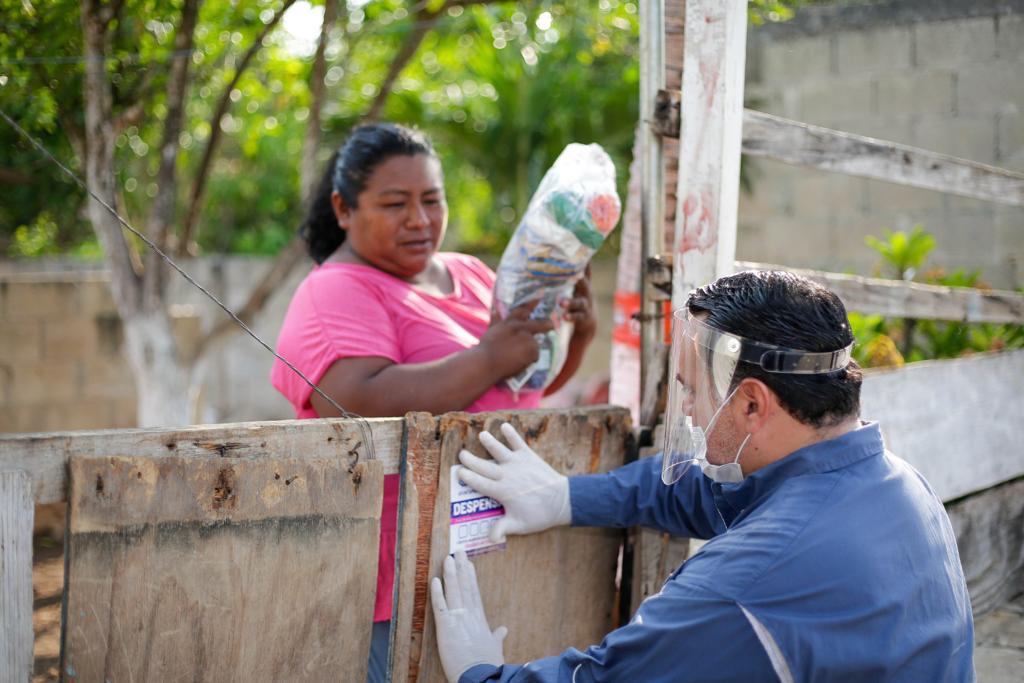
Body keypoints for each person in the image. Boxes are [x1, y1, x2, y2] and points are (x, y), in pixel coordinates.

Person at [433, 270, 975, 682]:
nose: (687, 410)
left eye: (691, 390)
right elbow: (712, 494)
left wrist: (481, 672)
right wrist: (567, 497)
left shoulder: (740, 587)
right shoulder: (896, 483)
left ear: (752, 405)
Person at [270, 123, 597, 682]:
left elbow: (514, 392)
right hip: (394, 580)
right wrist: (491, 356)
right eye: (395, 203)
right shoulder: (336, 289)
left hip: (487, 555)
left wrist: (574, 340)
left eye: (432, 199)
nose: (420, 220)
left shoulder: (469, 273)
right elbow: (355, 398)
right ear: (344, 209)